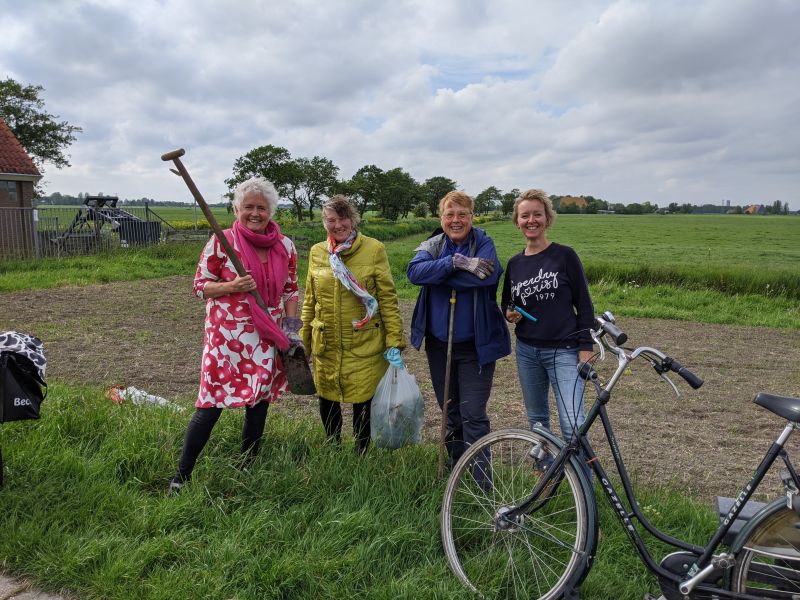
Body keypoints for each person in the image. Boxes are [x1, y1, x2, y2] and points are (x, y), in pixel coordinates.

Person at [169, 177, 301, 494]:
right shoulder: (221, 241)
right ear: (237, 209)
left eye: (262, 207)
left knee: (259, 403)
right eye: (248, 207)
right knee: (210, 404)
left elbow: (291, 290)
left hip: (267, 335)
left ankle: (247, 465)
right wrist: (232, 287)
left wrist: (292, 331)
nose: (255, 213)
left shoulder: (286, 246)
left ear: (271, 211)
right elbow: (200, 286)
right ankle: (181, 477)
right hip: (226, 338)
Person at [407, 191, 510, 472]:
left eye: (462, 214)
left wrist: (437, 278)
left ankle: (481, 480)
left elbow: (487, 278)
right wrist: (455, 263)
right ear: (441, 218)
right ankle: (456, 471)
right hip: (440, 345)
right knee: (450, 411)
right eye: (450, 214)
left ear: (471, 217)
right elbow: (414, 273)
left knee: (473, 414)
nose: (456, 220)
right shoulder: (434, 243)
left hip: (476, 346)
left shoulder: (483, 241)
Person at [300, 195, 405, 454]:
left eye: (343, 218)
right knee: (327, 397)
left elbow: (387, 299)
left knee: (363, 400)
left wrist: (394, 339)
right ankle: (333, 448)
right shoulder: (317, 252)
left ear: (353, 219)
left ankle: (361, 452)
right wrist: (303, 341)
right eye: (331, 220)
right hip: (327, 341)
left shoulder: (374, 249)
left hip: (364, 340)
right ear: (324, 223)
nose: (338, 225)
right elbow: (309, 300)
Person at [501, 188, 595, 452]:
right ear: (517, 221)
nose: (531, 220)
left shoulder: (565, 256)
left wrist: (585, 348)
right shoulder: (515, 263)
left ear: (547, 219)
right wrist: (509, 313)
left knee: (573, 425)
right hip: (527, 351)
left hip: (565, 351)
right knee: (538, 424)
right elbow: (507, 302)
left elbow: (585, 305)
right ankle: (547, 479)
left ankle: (584, 488)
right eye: (525, 216)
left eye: (537, 215)